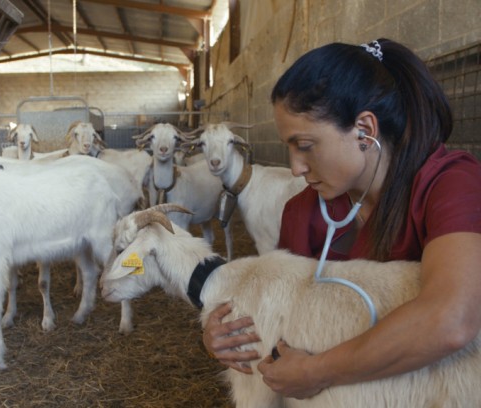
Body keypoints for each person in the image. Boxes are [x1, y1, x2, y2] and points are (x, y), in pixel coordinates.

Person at [202, 38, 481, 399]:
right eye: (289, 147)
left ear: (364, 130)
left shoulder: (450, 185)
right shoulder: (303, 211)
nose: (296, 167)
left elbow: (452, 319)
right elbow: (284, 314)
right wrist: (225, 335)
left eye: (305, 145)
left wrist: (318, 371)